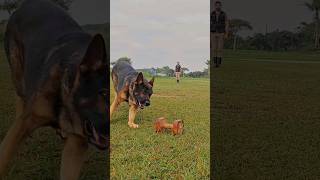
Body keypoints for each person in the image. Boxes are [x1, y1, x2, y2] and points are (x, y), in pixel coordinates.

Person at [211, 0, 229, 68]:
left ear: (220, 6)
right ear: (215, 6)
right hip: (213, 32)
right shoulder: (211, 13)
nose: (218, 6)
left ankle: (219, 64)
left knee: (220, 49)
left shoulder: (224, 14)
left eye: (219, 5)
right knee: (213, 49)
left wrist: (226, 33)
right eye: (216, 5)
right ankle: (215, 63)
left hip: (221, 32)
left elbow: (226, 23)